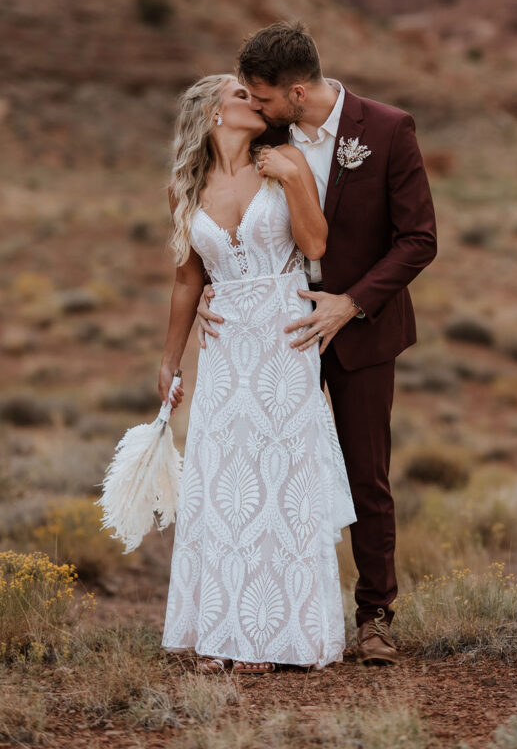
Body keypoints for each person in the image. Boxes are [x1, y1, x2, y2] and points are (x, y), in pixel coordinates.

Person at [193, 22, 438, 666]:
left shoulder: (387, 129)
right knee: (273, 477)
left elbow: (418, 240)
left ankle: (376, 618)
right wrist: (213, 290)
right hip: (274, 338)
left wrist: (351, 303)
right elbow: (221, 210)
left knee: (365, 475)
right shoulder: (264, 133)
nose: (255, 105)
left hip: (360, 329)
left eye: (263, 95)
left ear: (296, 93)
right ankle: (274, 619)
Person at [158, 73, 356, 674]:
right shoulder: (186, 188)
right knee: (224, 484)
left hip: (286, 336)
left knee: (283, 481)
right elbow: (190, 278)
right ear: (212, 114)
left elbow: (315, 244)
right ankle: (223, 630)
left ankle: (277, 636)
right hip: (224, 349)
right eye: (241, 94)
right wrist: (170, 358)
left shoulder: (286, 158)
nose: (256, 100)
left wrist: (295, 180)